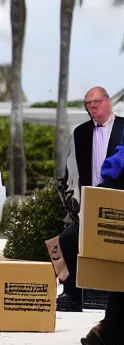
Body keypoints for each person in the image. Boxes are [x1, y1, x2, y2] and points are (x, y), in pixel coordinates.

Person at [57, 86, 124, 312]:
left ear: (108, 102)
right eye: (87, 103)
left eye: (96, 102)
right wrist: (71, 196)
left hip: (118, 203)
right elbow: (72, 169)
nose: (92, 107)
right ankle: (72, 296)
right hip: (90, 204)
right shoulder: (81, 132)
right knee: (67, 240)